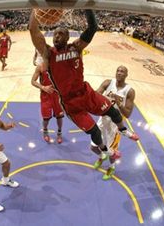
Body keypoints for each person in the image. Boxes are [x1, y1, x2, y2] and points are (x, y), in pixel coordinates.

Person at [28, 9, 139, 158]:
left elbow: (92, 27)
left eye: (61, 34)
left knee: (112, 111)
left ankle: (123, 129)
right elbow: (33, 30)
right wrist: (36, 9)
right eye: (55, 34)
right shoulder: (49, 53)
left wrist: (87, 6)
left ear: (68, 37)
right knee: (95, 131)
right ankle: (105, 151)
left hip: (85, 92)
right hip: (70, 102)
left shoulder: (76, 47)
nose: (56, 36)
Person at [92, 65, 136, 180]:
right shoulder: (108, 83)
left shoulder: (129, 91)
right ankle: (102, 156)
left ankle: (111, 167)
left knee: (111, 150)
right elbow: (95, 95)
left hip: (115, 124)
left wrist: (118, 102)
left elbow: (127, 114)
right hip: (103, 118)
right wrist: (102, 98)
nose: (119, 73)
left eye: (122, 71)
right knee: (93, 147)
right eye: (118, 70)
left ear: (126, 75)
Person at [31, 50, 64, 144]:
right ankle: (45, 131)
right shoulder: (40, 67)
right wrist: (43, 87)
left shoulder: (59, 66)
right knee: (46, 118)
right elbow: (33, 81)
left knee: (59, 116)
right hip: (45, 96)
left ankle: (59, 132)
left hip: (57, 95)